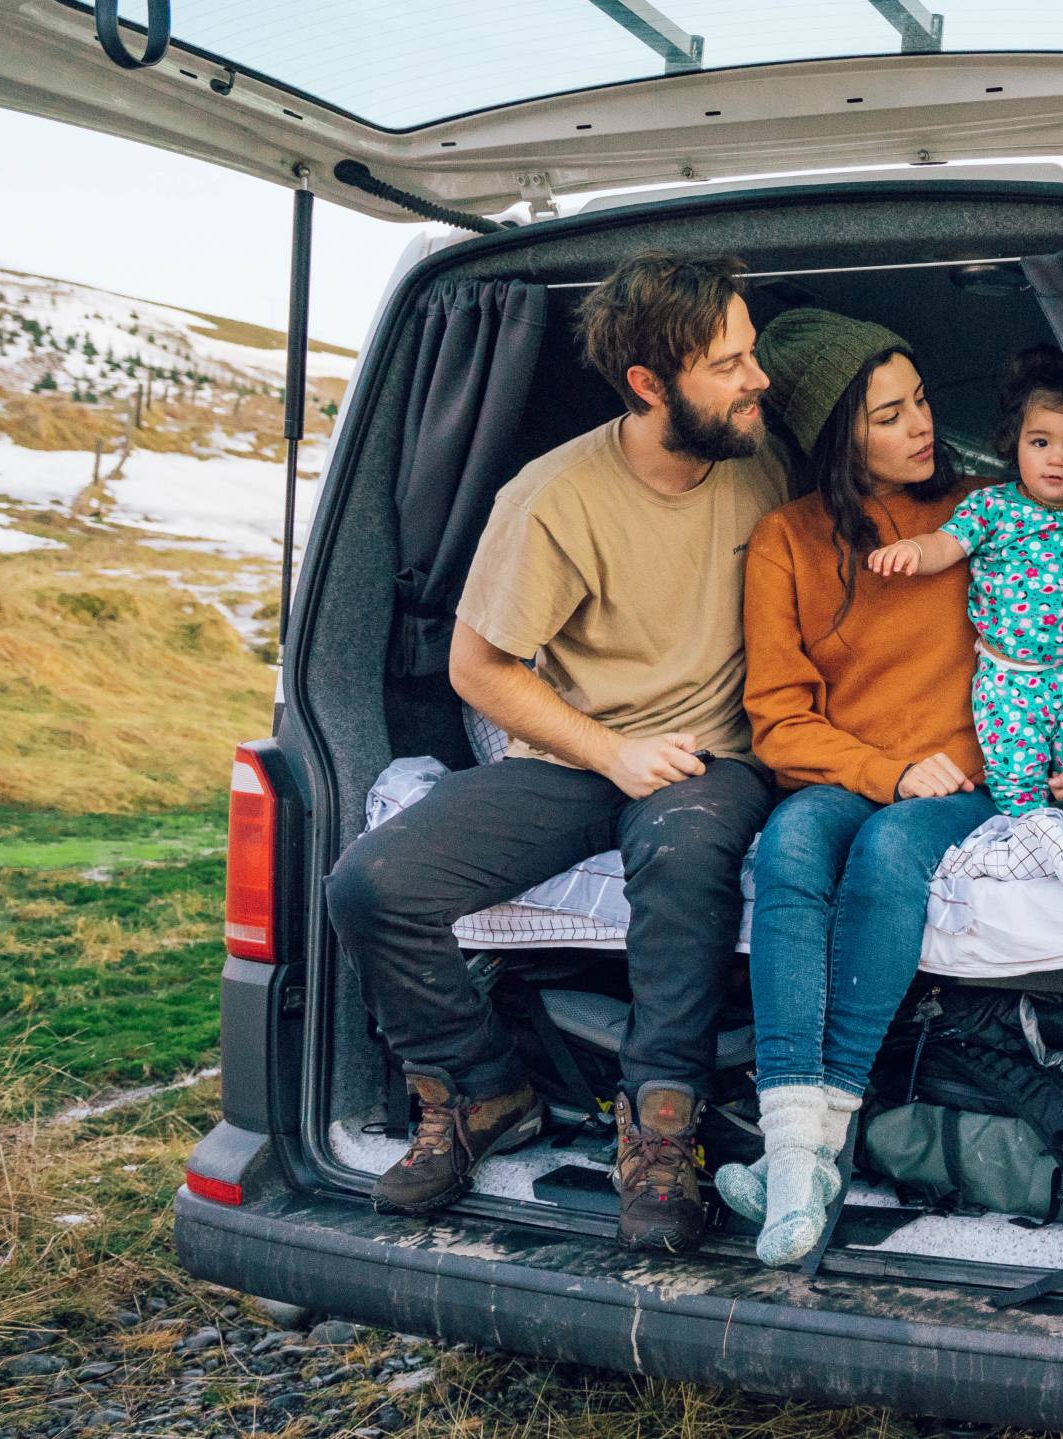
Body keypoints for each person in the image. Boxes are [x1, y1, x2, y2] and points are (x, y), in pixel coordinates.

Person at [324, 250, 787, 1254]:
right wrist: (610, 752)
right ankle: (485, 1091)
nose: (758, 378)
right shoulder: (552, 496)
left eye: (752, 354)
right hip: (583, 749)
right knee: (372, 883)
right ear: (649, 386)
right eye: (729, 363)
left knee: (684, 854)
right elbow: (478, 668)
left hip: (716, 755)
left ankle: (663, 1129)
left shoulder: (763, 457)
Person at [727, 310, 1063, 1266]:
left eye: (920, 400)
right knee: (794, 841)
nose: (923, 425)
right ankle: (803, 1150)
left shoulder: (999, 510)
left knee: (888, 851)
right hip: (858, 770)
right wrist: (886, 769)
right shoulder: (784, 541)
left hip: (980, 772)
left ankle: (801, 1160)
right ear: (841, 436)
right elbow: (778, 720)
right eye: (891, 414)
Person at [866, 346, 1063, 834]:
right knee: (1018, 787)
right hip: (1006, 680)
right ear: (1015, 443)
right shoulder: (991, 507)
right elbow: (946, 544)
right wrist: (912, 550)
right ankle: (1029, 852)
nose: (1057, 459)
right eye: (1040, 442)